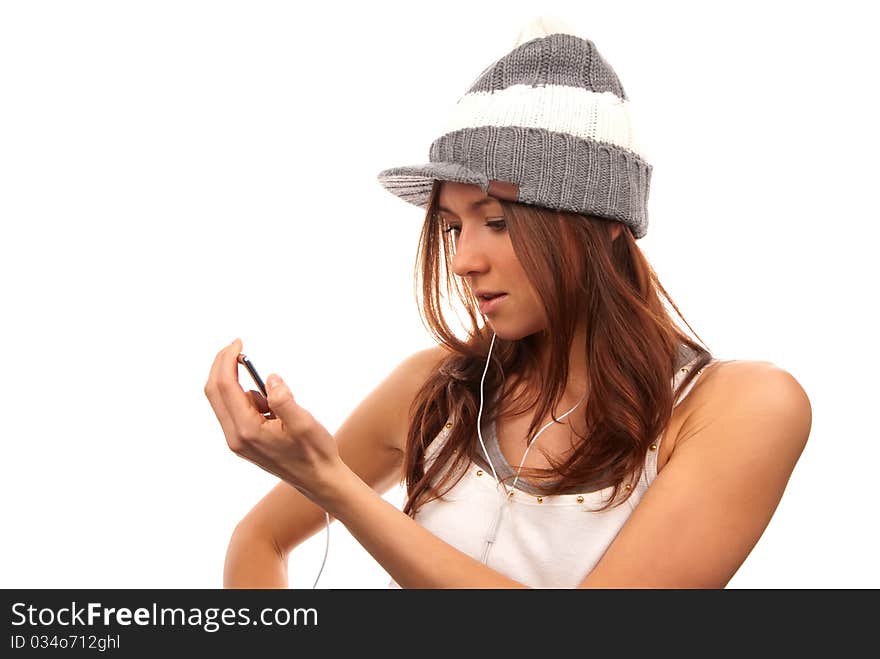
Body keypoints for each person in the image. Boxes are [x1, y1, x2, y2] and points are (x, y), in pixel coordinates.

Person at [204, 17, 812, 589]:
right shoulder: (432, 389)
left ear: (603, 224)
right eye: (451, 228)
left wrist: (332, 484)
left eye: (496, 221)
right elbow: (258, 538)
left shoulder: (740, 408)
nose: (464, 259)